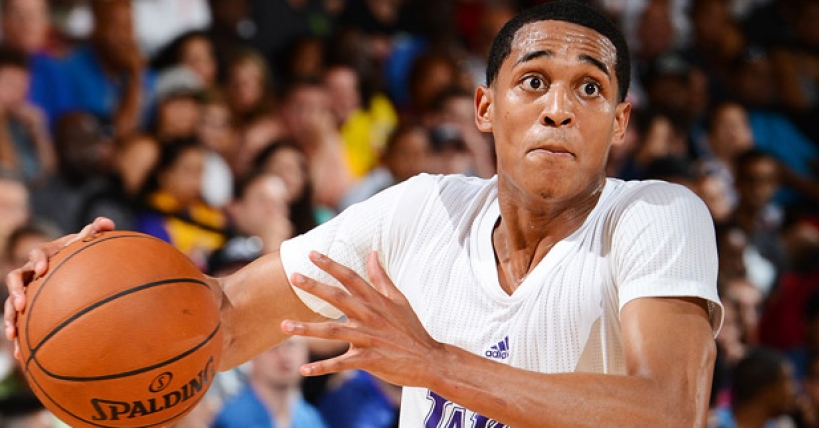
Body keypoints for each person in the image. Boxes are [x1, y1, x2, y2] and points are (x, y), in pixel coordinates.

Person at [6, 2, 722, 426]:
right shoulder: (421, 210)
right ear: (484, 107)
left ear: (620, 121)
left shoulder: (657, 214)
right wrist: (77, 299)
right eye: (532, 81)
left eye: (590, 89)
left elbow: (668, 410)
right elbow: (218, 323)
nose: (559, 108)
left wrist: (436, 364)